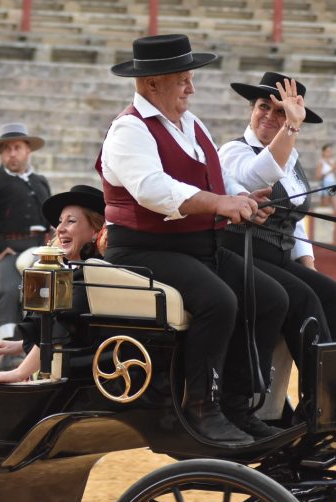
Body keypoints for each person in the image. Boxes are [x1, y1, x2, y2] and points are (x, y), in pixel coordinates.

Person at [96, 34, 289, 445]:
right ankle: (202, 408)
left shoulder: (193, 125)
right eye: (183, 79)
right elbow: (153, 190)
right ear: (152, 83)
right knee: (219, 302)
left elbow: (216, 178)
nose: (191, 88)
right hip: (143, 250)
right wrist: (219, 203)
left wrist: (241, 198)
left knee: (271, 298)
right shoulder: (129, 129)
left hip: (198, 247)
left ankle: (238, 407)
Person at [219, 72, 336, 362]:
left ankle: (329, 381)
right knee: (304, 300)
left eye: (280, 111)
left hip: (279, 257)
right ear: (252, 109)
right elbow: (257, 176)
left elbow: (295, 220)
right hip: (243, 253)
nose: (269, 116)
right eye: (263, 106)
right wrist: (291, 125)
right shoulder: (233, 151)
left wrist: (308, 265)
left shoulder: (292, 159)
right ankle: (321, 386)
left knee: (335, 295)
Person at [0, 185, 105, 385]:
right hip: (66, 368)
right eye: (60, 221)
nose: (60, 228)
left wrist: (19, 372)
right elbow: (60, 330)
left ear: (95, 230)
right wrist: (19, 345)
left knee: (8, 289)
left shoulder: (92, 275)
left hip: (83, 376)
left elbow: (63, 327)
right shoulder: (72, 270)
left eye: (71, 221)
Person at [0, 122, 51, 341]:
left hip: (38, 248)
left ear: (28, 150)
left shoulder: (40, 181)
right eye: (7, 149)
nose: (12, 154)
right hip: (5, 248)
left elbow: (50, 216)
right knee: (10, 290)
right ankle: (9, 345)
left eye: (17, 148)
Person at [315, 143, 336, 209]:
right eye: (327, 151)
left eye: (330, 151)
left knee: (335, 203)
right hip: (324, 183)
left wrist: (333, 167)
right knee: (324, 203)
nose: (329, 153)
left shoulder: (333, 162)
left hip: (332, 183)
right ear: (323, 152)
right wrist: (329, 171)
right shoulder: (321, 162)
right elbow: (318, 176)